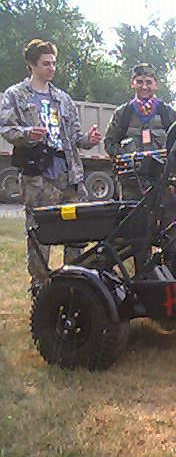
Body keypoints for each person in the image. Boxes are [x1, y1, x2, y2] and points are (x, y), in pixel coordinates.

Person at [0, 39, 102, 296]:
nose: (52, 68)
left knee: (78, 231)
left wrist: (89, 140)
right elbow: (6, 129)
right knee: (39, 234)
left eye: (54, 63)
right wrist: (27, 134)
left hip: (69, 174)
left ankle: (75, 285)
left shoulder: (63, 98)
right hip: (38, 176)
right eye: (46, 64)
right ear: (31, 64)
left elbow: (75, 137)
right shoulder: (15, 95)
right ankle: (41, 290)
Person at [103, 63, 176, 242]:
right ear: (132, 83)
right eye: (139, 81)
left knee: (171, 233)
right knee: (135, 236)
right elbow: (109, 143)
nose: (144, 86)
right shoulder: (123, 113)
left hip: (164, 182)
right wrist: (125, 158)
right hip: (132, 184)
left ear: (156, 85)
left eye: (148, 82)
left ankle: (172, 260)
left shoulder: (167, 112)